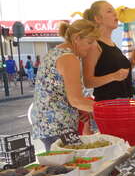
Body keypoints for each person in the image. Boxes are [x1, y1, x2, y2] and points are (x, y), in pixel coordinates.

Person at [30, 19, 98, 151]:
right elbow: (76, 100)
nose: (92, 47)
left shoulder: (55, 52)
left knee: (65, 165)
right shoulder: (69, 58)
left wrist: (83, 109)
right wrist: (106, 110)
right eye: (89, 42)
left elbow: (61, 91)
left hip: (47, 126)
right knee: (71, 166)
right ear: (77, 38)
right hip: (58, 126)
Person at [82, 0, 135, 101]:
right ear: (98, 19)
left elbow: (114, 73)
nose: (115, 13)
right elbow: (88, 82)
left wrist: (132, 63)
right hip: (109, 108)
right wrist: (113, 76)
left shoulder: (112, 44)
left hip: (123, 104)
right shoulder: (94, 45)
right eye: (109, 11)